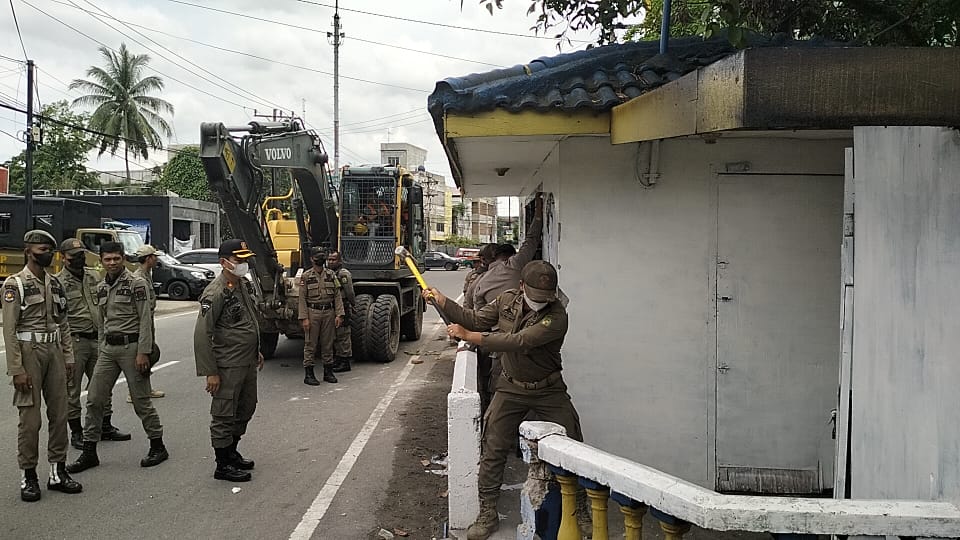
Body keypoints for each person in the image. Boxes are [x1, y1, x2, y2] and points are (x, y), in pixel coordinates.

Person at [423, 260, 585, 540]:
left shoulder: (557, 315)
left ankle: (580, 510)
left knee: (574, 446)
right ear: (522, 287)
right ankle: (487, 513)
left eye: (546, 297)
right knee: (493, 447)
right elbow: (473, 318)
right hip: (511, 387)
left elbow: (520, 341)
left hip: (549, 389)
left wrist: (470, 336)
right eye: (536, 296)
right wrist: (443, 300)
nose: (541, 302)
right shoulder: (507, 301)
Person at [68, 241, 169, 474]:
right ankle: (90, 451)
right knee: (94, 399)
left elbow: (145, 319)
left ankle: (157, 445)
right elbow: (102, 321)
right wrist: (102, 344)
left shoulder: (137, 283)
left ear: (123, 258)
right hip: (108, 349)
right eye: (107, 259)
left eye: (116, 258)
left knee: (141, 400)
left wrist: (144, 351)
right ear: (101, 261)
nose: (112, 263)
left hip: (132, 348)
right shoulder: (102, 286)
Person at [3, 230, 83, 501]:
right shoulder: (16, 284)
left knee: (60, 414)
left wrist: (69, 356)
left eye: (50, 249)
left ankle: (57, 471)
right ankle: (29, 475)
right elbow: (10, 330)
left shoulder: (55, 283)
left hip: (54, 350)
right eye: (42, 250)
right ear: (28, 251)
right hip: (29, 352)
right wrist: (17, 369)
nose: (48, 254)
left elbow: (64, 323)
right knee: (30, 419)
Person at [193, 239, 264, 482]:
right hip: (227, 364)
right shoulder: (216, 291)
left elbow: (248, 323)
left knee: (246, 407)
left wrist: (257, 352)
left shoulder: (241, 284)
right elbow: (203, 333)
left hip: (246, 361)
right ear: (224, 262)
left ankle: (232, 451)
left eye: (245, 259)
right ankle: (222, 464)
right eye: (238, 260)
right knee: (224, 413)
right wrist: (210, 372)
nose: (243, 264)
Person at [55, 238, 130, 450]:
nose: (79, 259)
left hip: (97, 338)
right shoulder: (58, 282)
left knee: (103, 386)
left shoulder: (93, 276)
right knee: (72, 390)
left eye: (81, 255)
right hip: (75, 340)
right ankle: (77, 432)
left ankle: (105, 426)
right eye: (74, 256)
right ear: (63, 257)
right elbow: (57, 318)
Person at [471, 195, 544, 310]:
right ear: (512, 255)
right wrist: (539, 210)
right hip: (521, 323)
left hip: (494, 326)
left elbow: (477, 313)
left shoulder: (480, 281)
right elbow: (532, 240)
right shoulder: (515, 263)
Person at [298, 247, 344, 385]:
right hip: (313, 313)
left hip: (329, 312)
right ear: (312, 259)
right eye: (317, 256)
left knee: (328, 344)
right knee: (310, 344)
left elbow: (337, 296)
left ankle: (328, 372)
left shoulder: (331, 275)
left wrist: (339, 314)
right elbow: (301, 298)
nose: (321, 259)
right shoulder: (306, 276)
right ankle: (309, 374)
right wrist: (304, 318)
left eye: (322, 256)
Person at [129, 244, 165, 402]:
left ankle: (145, 388)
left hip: (148, 320)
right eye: (154, 257)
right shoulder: (138, 278)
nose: (156, 259)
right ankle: (134, 391)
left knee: (150, 354)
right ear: (148, 258)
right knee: (145, 354)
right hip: (141, 322)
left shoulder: (147, 275)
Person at [326, 250, 355, 372]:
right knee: (336, 335)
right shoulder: (330, 273)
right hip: (334, 306)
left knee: (343, 335)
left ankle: (345, 361)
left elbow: (349, 292)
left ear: (340, 261)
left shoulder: (343, 274)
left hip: (343, 305)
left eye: (333, 259)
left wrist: (353, 304)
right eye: (329, 259)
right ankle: (338, 359)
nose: (330, 262)